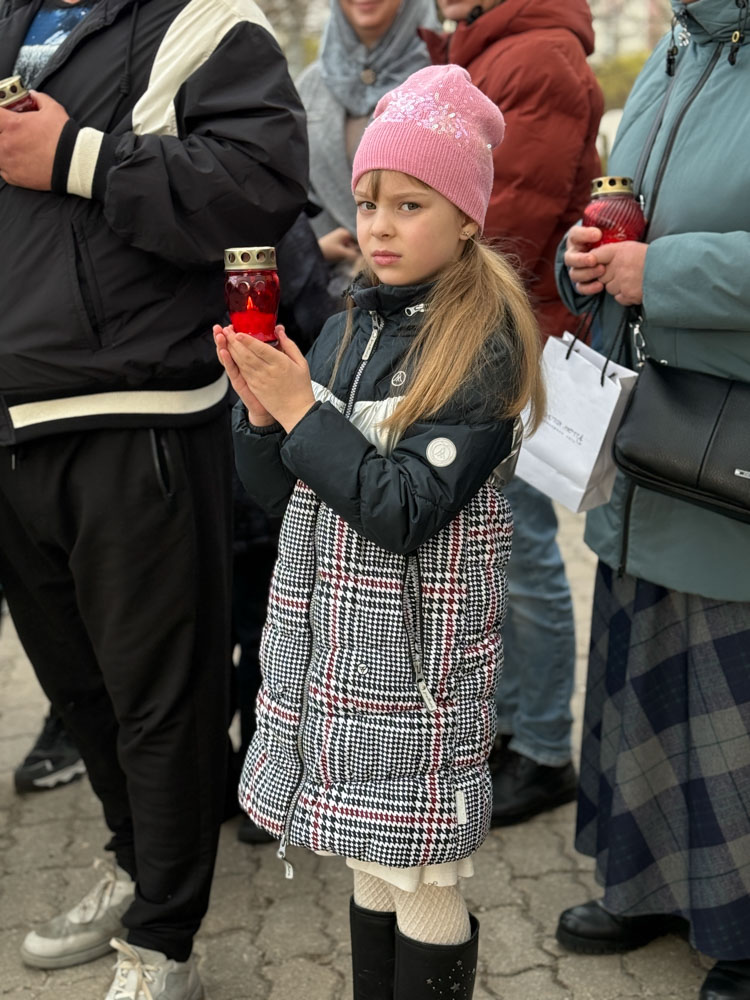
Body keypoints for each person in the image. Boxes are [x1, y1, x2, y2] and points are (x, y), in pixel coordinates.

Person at [214, 63, 545, 1000]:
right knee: (368, 855)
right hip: (341, 652)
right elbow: (285, 499)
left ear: (467, 215)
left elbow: (403, 510)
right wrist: (261, 415)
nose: (380, 227)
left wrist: (300, 413)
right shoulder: (349, 324)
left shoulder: (482, 342)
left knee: (423, 874)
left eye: (410, 204)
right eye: (368, 204)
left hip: (419, 663)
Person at [0, 1, 307, 998]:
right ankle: (134, 866)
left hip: (138, 415)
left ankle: (163, 943)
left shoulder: (210, 21)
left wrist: (79, 157)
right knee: (77, 690)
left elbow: (260, 191)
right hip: (12, 426)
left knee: (160, 700)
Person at [554, 2, 750, 998]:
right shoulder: (677, 51)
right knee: (642, 671)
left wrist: (658, 273)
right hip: (648, 437)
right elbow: (624, 210)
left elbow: (662, 259)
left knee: (727, 697)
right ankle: (645, 885)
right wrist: (586, 261)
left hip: (729, 448)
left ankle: (742, 930)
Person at [420, 0, 604, 825]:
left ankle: (543, 749)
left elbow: (508, 221)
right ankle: (507, 728)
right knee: (496, 551)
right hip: (488, 333)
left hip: (517, 340)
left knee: (522, 554)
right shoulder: (489, 48)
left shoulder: (538, 55)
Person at [296, 0, 440, 298]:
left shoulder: (445, 77)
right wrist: (313, 248)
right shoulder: (310, 85)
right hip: (326, 296)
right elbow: (296, 188)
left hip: (426, 294)